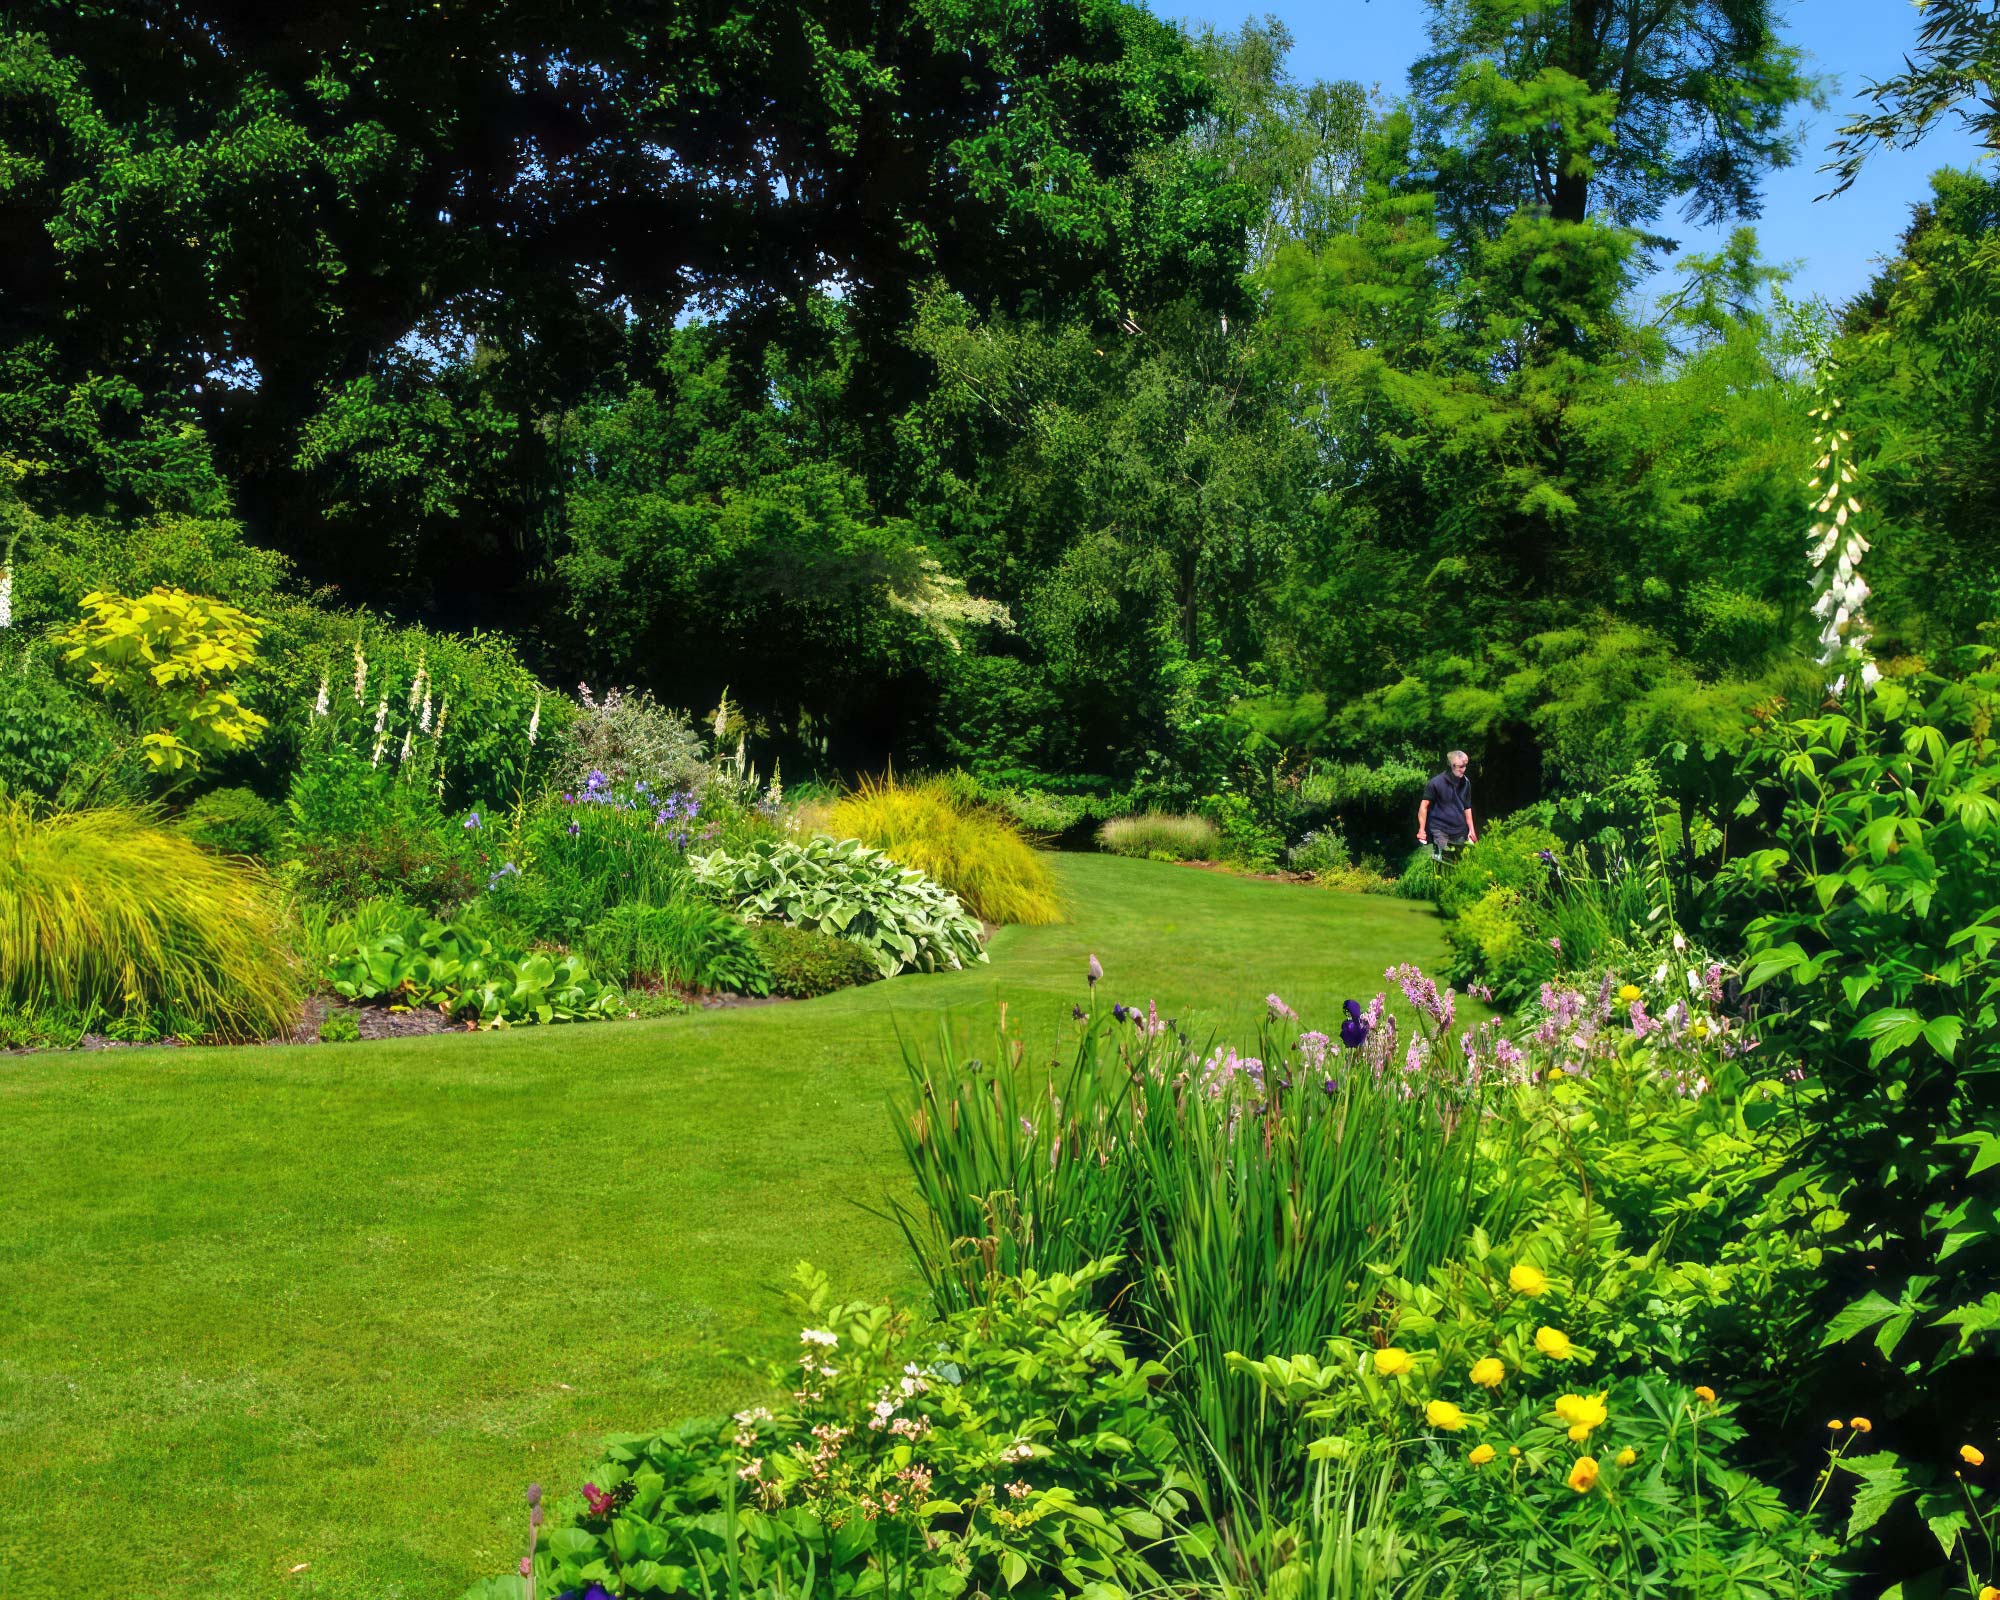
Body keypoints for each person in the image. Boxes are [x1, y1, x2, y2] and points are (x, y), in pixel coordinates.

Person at [1418, 750, 1476, 864]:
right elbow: (1423, 806)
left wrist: (1472, 830)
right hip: (1439, 828)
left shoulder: (1466, 783)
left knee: (1459, 861)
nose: (1463, 770)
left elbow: (1467, 807)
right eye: (1460, 767)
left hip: (1459, 829)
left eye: (1465, 766)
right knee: (1443, 857)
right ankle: (1437, 875)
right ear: (1451, 766)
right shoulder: (1435, 783)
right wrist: (1421, 829)